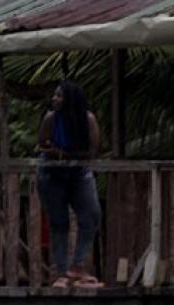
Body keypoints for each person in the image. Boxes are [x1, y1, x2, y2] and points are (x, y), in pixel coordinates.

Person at [36, 80, 103, 289]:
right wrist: (53, 152)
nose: (55, 99)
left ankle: (78, 266)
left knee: (91, 217)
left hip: (78, 172)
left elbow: (92, 152)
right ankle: (62, 272)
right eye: (55, 95)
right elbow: (41, 145)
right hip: (52, 173)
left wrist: (65, 153)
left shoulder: (87, 119)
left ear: (71, 100)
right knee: (59, 223)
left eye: (59, 96)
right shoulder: (50, 118)